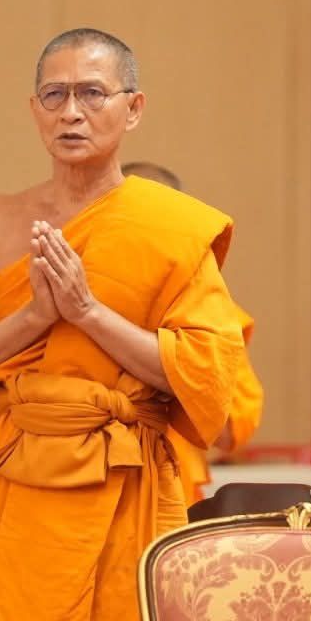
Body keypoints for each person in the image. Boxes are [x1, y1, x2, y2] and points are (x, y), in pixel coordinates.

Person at [0, 29, 247, 621]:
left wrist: (87, 314)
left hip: (125, 490)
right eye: (55, 94)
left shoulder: (172, 227)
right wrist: (35, 317)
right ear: (34, 109)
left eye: (92, 93)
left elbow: (203, 378)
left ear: (133, 108)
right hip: (17, 490)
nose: (71, 111)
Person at [120, 159, 265, 503]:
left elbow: (228, 432)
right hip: (81, 481)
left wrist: (166, 362)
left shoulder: (209, 314)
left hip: (171, 491)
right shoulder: (70, 294)